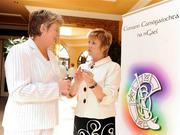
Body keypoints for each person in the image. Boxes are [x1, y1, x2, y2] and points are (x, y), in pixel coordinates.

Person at [2, 9, 71, 135]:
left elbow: (54, 87)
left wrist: (64, 88)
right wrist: (57, 87)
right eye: (56, 29)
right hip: (24, 126)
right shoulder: (19, 51)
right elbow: (19, 92)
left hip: (48, 123)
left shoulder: (52, 55)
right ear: (43, 28)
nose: (57, 34)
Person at [69, 28, 121, 135]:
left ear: (105, 47)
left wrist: (92, 83)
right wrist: (77, 82)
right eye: (88, 42)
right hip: (80, 118)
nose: (89, 45)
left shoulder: (113, 67)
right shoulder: (83, 66)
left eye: (93, 43)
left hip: (101, 120)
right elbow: (71, 94)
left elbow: (109, 98)